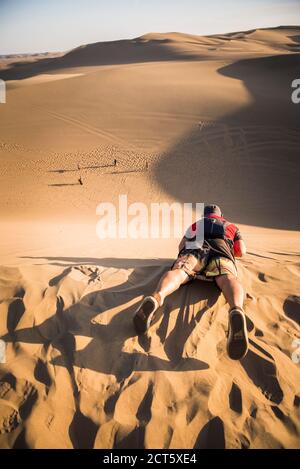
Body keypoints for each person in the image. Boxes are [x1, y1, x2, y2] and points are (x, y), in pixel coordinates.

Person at [133, 204, 248, 360]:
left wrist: (186, 254)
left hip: (195, 247)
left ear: (204, 215)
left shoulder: (196, 224)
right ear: (220, 215)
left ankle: (156, 297)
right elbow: (241, 250)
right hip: (222, 250)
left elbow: (181, 245)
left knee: (180, 273)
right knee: (227, 278)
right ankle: (236, 309)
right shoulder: (231, 226)